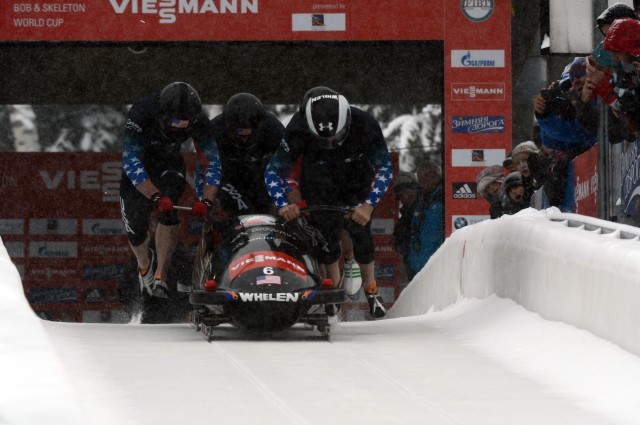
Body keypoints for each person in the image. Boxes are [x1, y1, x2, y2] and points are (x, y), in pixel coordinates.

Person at [264, 86, 393, 318]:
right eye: (324, 140)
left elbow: (384, 167)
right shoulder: (298, 126)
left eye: (336, 137)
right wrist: (283, 203)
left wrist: (368, 205)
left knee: (360, 230)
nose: (331, 143)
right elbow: (273, 171)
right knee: (326, 236)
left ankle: (371, 290)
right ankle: (331, 291)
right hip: (320, 179)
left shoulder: (365, 123)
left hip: (356, 177)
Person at [120, 82, 221, 298]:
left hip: (169, 162)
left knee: (169, 205)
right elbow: (131, 160)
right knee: (136, 228)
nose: (177, 130)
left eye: (184, 126)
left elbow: (211, 162)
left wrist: (207, 200)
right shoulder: (142, 111)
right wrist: (153, 194)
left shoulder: (200, 120)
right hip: (142, 163)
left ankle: (161, 276)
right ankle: (144, 265)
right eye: (174, 124)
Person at [202, 93, 284, 217]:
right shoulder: (215, 131)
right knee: (239, 210)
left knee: (266, 211)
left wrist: (283, 202)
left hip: (261, 174)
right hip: (228, 174)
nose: (244, 140)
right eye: (240, 135)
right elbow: (208, 169)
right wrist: (207, 200)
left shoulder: (274, 129)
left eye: (249, 135)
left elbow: (287, 167)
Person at [408, 161, 444, 276]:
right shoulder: (420, 201)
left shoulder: (443, 198)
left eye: (432, 175)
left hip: (437, 265)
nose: (425, 180)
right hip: (419, 266)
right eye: (422, 177)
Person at [392, 171, 420, 282]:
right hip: (411, 263)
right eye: (400, 195)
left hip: (420, 263)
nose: (404, 198)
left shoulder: (424, 209)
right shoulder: (406, 214)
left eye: (407, 192)